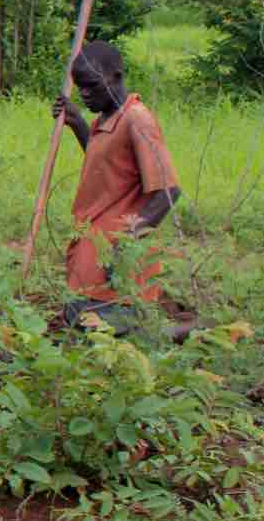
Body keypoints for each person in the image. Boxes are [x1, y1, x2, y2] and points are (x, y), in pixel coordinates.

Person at [51, 38, 181, 332]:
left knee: (112, 341)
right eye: (80, 86)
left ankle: (188, 332)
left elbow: (169, 192)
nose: (84, 93)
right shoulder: (105, 120)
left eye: (92, 85)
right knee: (88, 334)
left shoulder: (137, 120)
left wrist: (126, 243)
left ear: (117, 77)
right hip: (91, 256)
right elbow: (109, 169)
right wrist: (78, 123)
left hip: (113, 264)